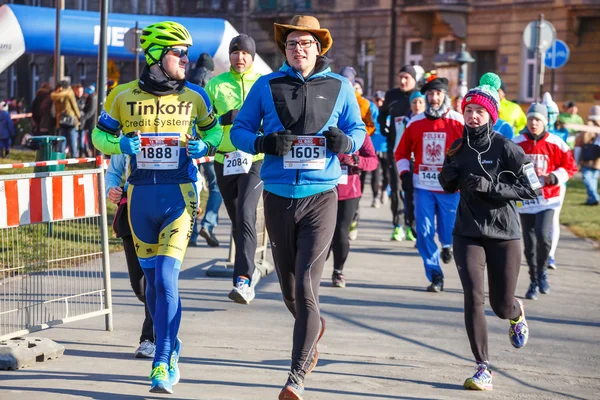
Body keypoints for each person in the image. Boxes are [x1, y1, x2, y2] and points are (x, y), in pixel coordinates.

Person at [229, 15, 366, 400]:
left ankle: (296, 376)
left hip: (322, 196)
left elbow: (358, 131)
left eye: (305, 43)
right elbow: (240, 129)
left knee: (307, 285)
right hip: (277, 195)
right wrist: (263, 143)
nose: (298, 49)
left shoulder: (339, 87)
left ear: (319, 47)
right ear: (284, 50)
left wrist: (346, 143)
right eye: (291, 44)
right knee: (290, 291)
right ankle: (312, 329)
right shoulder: (266, 85)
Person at [91, 21, 223, 394]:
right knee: (150, 285)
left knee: (166, 280)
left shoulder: (196, 95)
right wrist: (121, 147)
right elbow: (99, 135)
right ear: (155, 56)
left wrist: (206, 146)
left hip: (178, 197)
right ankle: (171, 343)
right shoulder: (122, 95)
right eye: (178, 52)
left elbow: (214, 131)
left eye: (186, 52)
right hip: (140, 199)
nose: (186, 58)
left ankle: (162, 361)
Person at [439, 72, 536, 391]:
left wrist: (492, 187)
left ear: (491, 114)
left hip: (504, 234)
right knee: (472, 297)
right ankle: (483, 367)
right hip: (467, 232)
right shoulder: (456, 148)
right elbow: (449, 186)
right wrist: (447, 178)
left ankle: (515, 311)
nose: (472, 115)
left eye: (479, 111)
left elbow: (532, 189)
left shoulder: (508, 148)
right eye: (468, 110)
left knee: (500, 304)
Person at [204, 34, 263, 304]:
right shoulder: (216, 85)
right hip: (225, 159)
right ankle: (245, 271)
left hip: (255, 158)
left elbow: (274, 117)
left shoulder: (263, 83)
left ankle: (244, 280)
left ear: (252, 57)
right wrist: (223, 120)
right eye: (235, 53)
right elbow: (205, 123)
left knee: (245, 214)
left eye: (245, 54)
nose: (240, 58)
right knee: (238, 221)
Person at [395, 72, 464, 292]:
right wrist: (405, 174)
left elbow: (469, 152)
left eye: (438, 94)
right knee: (424, 232)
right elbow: (401, 153)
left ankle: (447, 245)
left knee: (449, 228)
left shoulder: (458, 121)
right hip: (423, 186)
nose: (434, 98)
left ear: (445, 96)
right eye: (431, 94)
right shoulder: (415, 122)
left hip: (450, 188)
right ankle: (435, 275)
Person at [513, 103, 577, 300]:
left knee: (543, 236)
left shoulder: (556, 143)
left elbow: (570, 167)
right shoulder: (517, 143)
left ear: (545, 122)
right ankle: (533, 280)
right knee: (529, 244)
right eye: (531, 119)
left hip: (548, 199)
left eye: (538, 120)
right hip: (526, 200)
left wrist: (555, 176)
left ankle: (542, 272)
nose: (534, 123)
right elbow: (505, 166)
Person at [106, 154, 156, 359]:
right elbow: (113, 172)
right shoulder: (126, 138)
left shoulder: (172, 128)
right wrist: (112, 189)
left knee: (158, 281)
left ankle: (151, 339)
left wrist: (193, 196)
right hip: (131, 211)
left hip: (164, 210)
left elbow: (191, 170)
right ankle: (165, 321)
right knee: (140, 286)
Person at [186, 53, 222, 249]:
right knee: (215, 185)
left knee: (192, 186)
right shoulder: (213, 84)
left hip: (188, 141)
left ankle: (189, 232)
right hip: (206, 142)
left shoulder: (183, 81)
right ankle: (208, 224)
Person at [331, 135, 378, 287]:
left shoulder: (359, 132)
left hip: (348, 192)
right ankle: (310, 270)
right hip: (321, 189)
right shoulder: (321, 124)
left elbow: (373, 161)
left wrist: (357, 161)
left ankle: (338, 271)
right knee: (318, 233)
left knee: (341, 232)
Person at [378, 65, 418, 241]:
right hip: (395, 150)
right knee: (396, 188)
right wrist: (384, 127)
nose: (402, 81)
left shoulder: (419, 97)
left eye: (407, 77)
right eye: (401, 77)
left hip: (417, 153)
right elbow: (382, 114)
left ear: (414, 80)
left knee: (415, 190)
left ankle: (412, 225)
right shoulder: (391, 95)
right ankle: (398, 225)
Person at [542, 92, 569, 269]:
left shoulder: (562, 132)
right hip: (537, 182)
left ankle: (550, 255)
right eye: (548, 113)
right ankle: (538, 251)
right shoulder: (532, 131)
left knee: (553, 218)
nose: (551, 117)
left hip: (557, 182)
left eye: (553, 113)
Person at [394, 91, 426, 242]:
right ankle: (408, 224)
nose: (417, 105)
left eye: (420, 102)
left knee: (421, 199)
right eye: (414, 102)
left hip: (422, 164)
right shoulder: (405, 120)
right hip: (407, 162)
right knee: (406, 195)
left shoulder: (428, 121)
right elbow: (400, 143)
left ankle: (418, 230)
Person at [366, 90, 389, 208]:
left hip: (386, 147)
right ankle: (375, 197)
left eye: (382, 100)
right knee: (375, 175)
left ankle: (384, 190)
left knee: (387, 174)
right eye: (377, 100)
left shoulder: (389, 112)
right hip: (374, 147)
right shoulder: (371, 112)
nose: (379, 103)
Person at [574, 105, 600, 206]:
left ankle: (594, 197)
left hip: (588, 156)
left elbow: (583, 139)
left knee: (587, 178)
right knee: (593, 179)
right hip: (597, 158)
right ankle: (591, 199)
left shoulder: (588, 125)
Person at [51, 80, 80, 156]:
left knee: (62, 141)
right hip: (70, 119)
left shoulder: (55, 95)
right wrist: (79, 117)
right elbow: (74, 106)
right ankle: (73, 158)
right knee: (73, 140)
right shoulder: (69, 94)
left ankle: (61, 158)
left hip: (60, 119)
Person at [81, 85, 98, 157]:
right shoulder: (92, 97)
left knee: (92, 140)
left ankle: (94, 156)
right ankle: (93, 155)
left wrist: (83, 118)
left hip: (92, 122)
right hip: (91, 122)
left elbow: (91, 111)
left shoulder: (92, 98)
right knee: (91, 140)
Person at [73, 84, 87, 158]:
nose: (80, 93)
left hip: (82, 122)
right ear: (75, 91)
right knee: (74, 140)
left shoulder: (85, 99)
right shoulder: (73, 99)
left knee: (81, 141)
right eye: (78, 91)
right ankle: (75, 155)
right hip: (74, 122)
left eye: (81, 91)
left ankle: (81, 155)